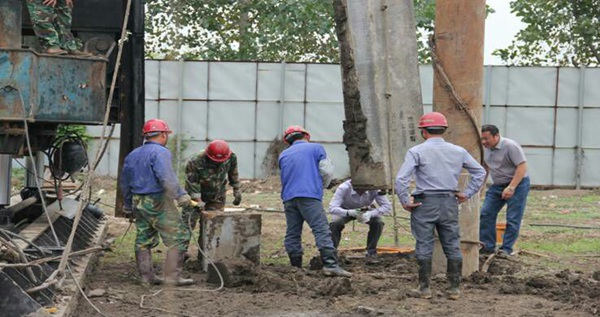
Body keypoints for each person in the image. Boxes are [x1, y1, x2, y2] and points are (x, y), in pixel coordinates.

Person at [395, 112, 485, 300]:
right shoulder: (458, 151)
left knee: (424, 245)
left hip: (424, 203)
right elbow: (480, 172)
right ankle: (454, 289)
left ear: (424, 132)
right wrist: (467, 194)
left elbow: (401, 179)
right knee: (452, 245)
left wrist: (405, 201)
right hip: (449, 203)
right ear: (444, 130)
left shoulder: (417, 151)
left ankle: (425, 288)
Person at [120, 119, 197, 286]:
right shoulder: (161, 152)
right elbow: (165, 176)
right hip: (157, 201)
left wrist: (127, 205)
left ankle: (146, 277)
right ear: (163, 134)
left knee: (143, 239)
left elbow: (125, 182)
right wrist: (180, 195)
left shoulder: (133, 154)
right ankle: (172, 277)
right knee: (180, 236)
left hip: (137, 201)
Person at [278, 125, 351, 277]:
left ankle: (296, 268)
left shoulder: (283, 155)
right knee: (321, 229)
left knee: (292, 232)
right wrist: (323, 184)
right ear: (306, 136)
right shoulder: (316, 148)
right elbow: (326, 170)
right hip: (309, 195)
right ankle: (330, 265)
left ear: (288, 141)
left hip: (289, 198)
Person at [182, 140, 242, 255]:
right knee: (187, 224)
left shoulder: (230, 156)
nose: (218, 163)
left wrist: (237, 189)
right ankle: (180, 254)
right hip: (195, 196)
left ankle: (207, 255)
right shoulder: (195, 161)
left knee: (213, 224)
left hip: (216, 196)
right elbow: (192, 183)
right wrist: (198, 202)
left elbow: (233, 173)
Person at [479, 124, 530, 257]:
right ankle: (487, 246)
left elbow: (522, 166)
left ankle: (506, 249)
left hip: (517, 184)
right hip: (497, 185)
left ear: (496, 136)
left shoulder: (510, 146)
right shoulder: (485, 148)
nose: (484, 142)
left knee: (513, 217)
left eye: (486, 139)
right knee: (486, 213)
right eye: (482, 139)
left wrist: (512, 187)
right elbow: (485, 167)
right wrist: (481, 186)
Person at [328, 179, 391, 263]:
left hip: (366, 209)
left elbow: (387, 206)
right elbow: (332, 208)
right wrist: (349, 212)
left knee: (378, 222)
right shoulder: (343, 188)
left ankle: (371, 253)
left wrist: (370, 214)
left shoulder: (374, 188)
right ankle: (331, 254)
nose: (362, 190)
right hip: (345, 210)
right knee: (335, 223)